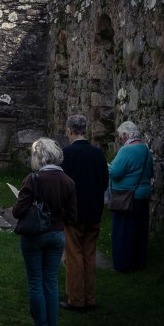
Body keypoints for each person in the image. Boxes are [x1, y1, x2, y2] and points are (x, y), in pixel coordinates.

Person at [12, 138, 77, 326]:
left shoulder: (34, 179)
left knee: (35, 282)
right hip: (56, 235)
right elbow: (73, 215)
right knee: (51, 283)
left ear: (38, 157)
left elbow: (18, 211)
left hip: (34, 236)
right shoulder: (68, 181)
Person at [59, 115, 108, 311]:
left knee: (74, 256)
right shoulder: (97, 154)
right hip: (94, 211)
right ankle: (90, 297)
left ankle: (77, 300)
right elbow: (105, 182)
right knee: (89, 255)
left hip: (73, 213)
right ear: (84, 130)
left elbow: (62, 184)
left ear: (70, 131)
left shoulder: (67, 154)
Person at [109, 121, 154, 272]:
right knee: (139, 231)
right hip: (143, 194)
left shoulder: (126, 150)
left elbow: (115, 172)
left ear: (125, 135)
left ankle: (124, 263)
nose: (120, 140)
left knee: (123, 232)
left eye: (120, 137)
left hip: (127, 197)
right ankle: (138, 261)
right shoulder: (145, 149)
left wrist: (108, 166)